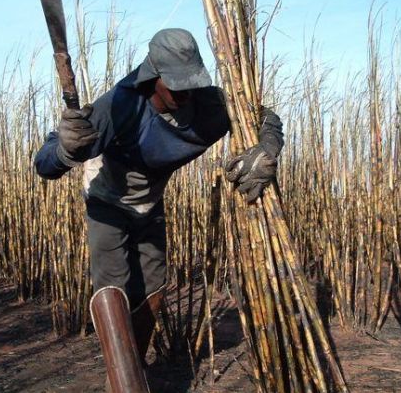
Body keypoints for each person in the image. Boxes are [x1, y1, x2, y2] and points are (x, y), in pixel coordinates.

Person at [34, 28, 283, 392]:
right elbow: (45, 164)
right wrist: (65, 149)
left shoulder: (210, 106)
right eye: (175, 86)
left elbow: (265, 118)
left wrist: (268, 149)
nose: (184, 94)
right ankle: (120, 383)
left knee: (153, 289)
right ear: (153, 78)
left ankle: (131, 369)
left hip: (150, 199)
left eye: (191, 83)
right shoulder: (119, 105)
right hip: (107, 199)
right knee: (113, 291)